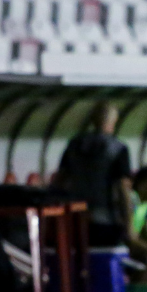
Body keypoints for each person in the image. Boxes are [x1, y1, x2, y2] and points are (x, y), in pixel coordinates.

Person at [55, 103, 132, 247]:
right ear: (114, 121)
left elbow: (60, 180)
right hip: (106, 219)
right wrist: (128, 224)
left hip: (75, 217)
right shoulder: (118, 148)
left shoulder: (74, 144)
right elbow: (122, 188)